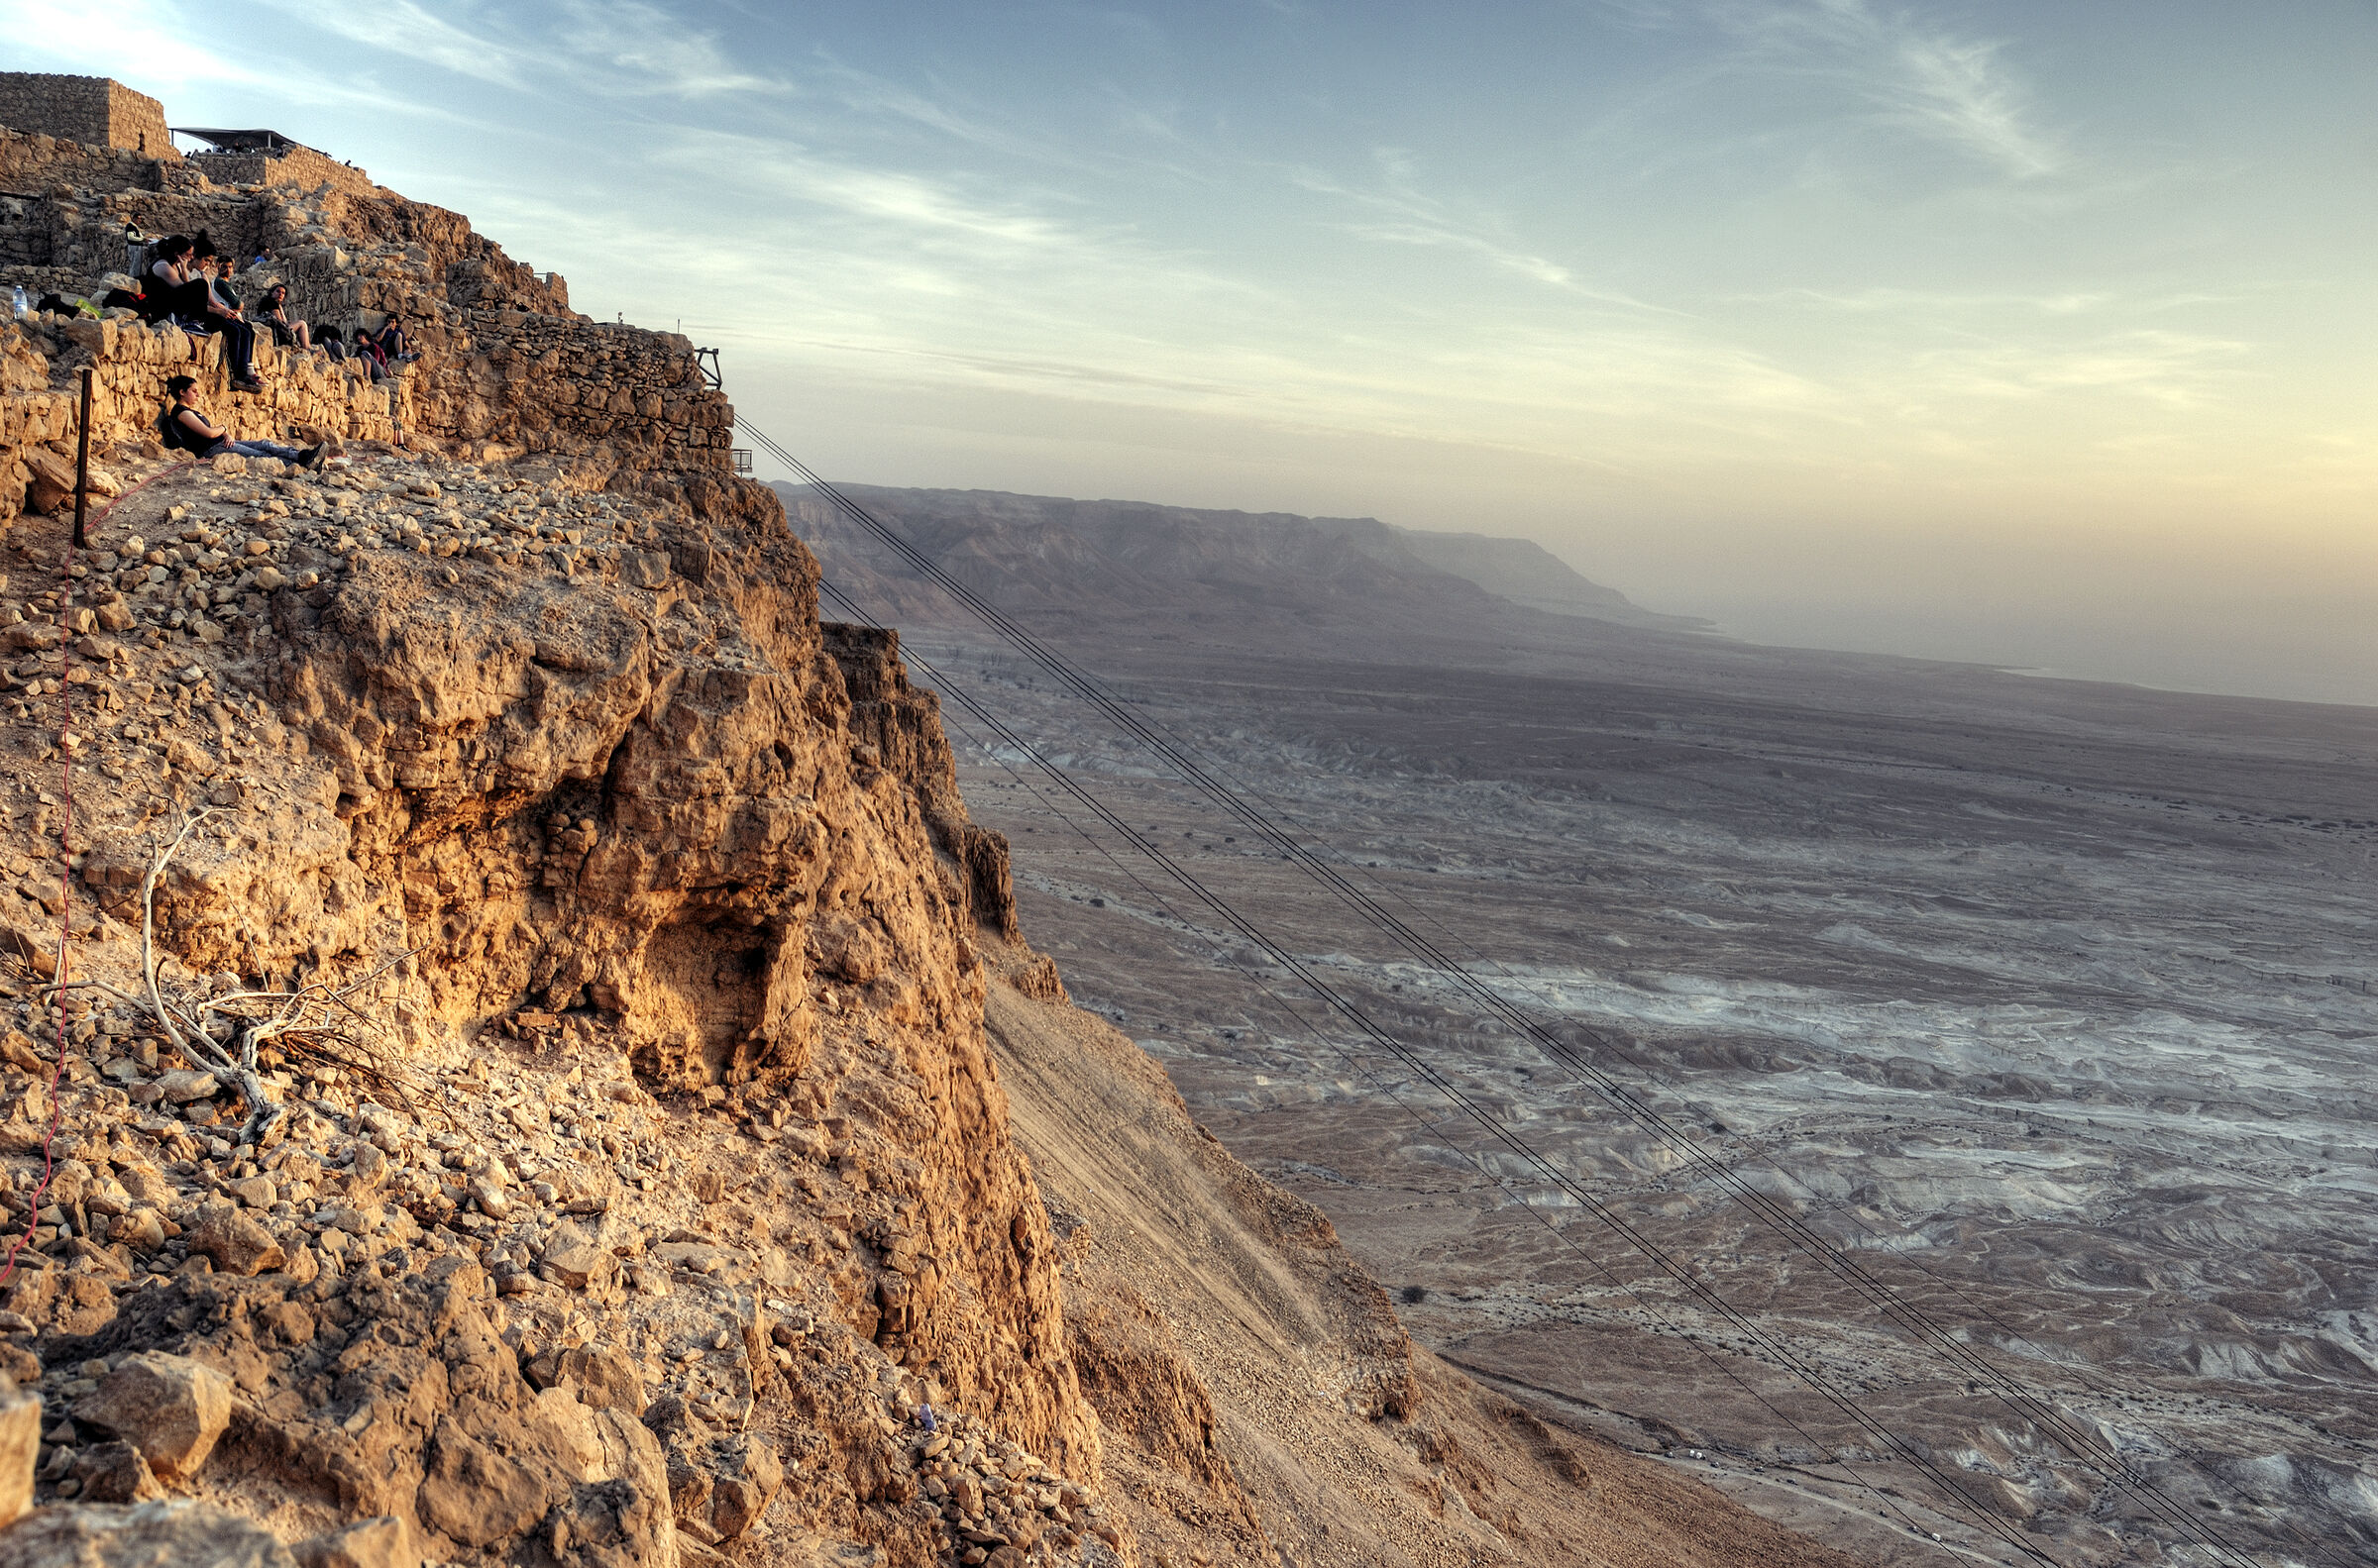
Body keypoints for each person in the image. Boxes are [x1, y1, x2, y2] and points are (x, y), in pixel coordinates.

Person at [158, 375, 322, 466]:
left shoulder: (190, 411)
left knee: (265, 443)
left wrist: (225, 434)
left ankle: (303, 455)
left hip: (221, 443)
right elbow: (208, 433)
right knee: (260, 455)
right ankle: (297, 464)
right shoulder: (181, 413)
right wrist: (223, 429)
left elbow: (214, 432)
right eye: (194, 391)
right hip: (211, 449)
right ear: (182, 392)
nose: (198, 395)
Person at [254, 282, 312, 352]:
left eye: (283, 293)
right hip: (278, 333)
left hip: (272, 331)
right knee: (302, 323)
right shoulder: (272, 303)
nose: (280, 294)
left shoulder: (266, 302)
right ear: (272, 292)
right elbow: (280, 322)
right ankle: (307, 348)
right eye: (278, 291)